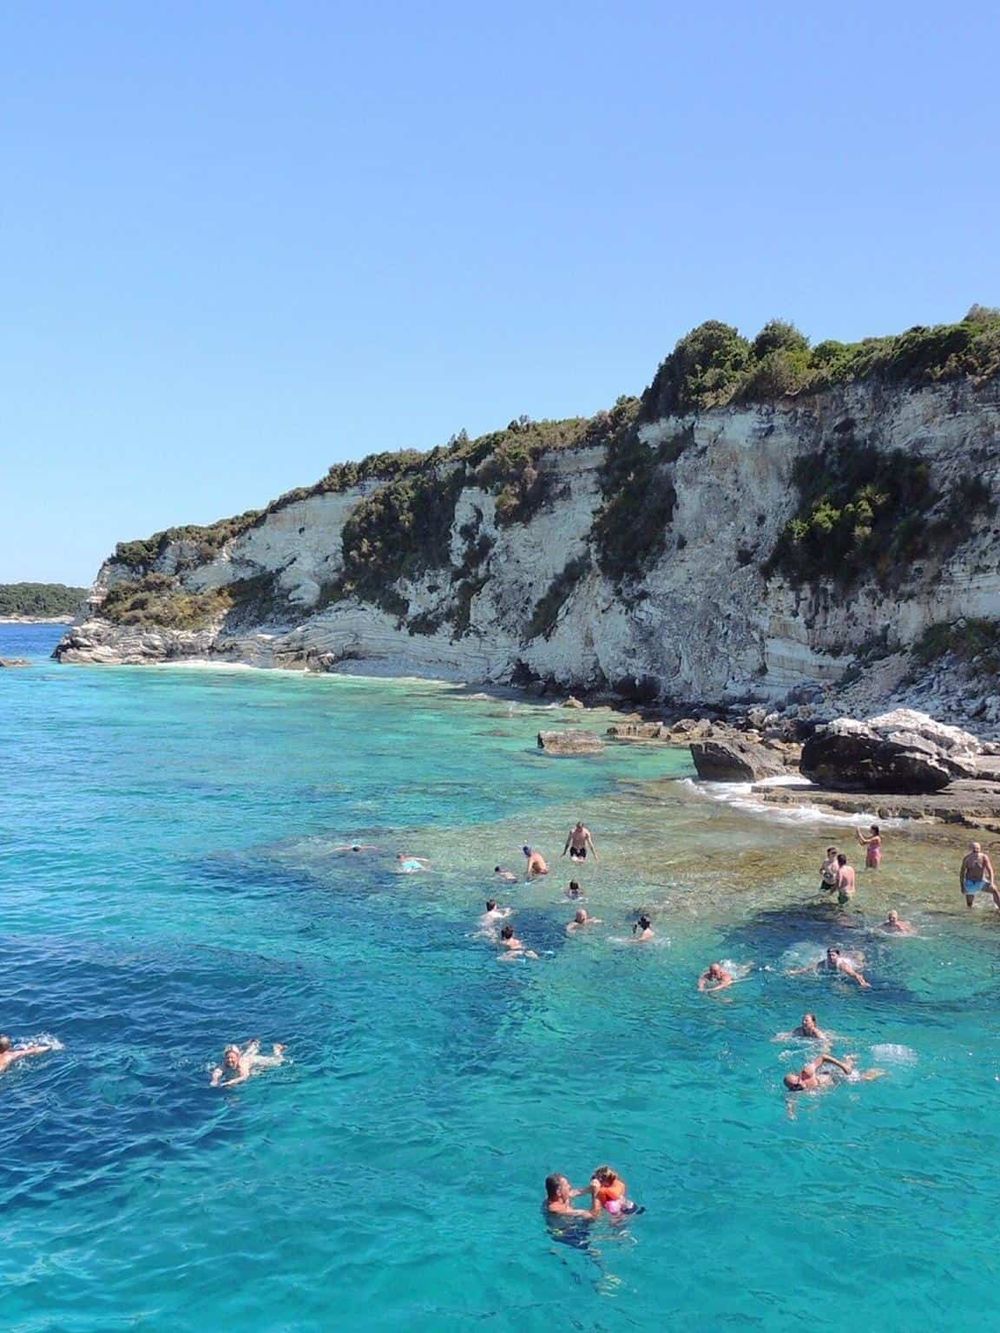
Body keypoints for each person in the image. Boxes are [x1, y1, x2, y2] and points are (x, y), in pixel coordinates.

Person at [783, 1053, 885, 1093]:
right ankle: (849, 1060)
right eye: (795, 1086)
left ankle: (881, 1070)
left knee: (863, 1079)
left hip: (834, 1077)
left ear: (799, 1077)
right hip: (831, 1082)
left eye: (798, 1081)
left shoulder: (807, 1072)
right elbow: (791, 1099)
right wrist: (791, 1112)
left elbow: (823, 1057)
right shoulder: (794, 1090)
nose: (800, 1084)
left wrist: (842, 1065)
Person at [210, 1039, 286, 1088]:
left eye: (232, 1057)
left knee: (278, 1061)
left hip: (251, 1060)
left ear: (237, 1057)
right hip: (244, 1057)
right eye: (227, 1058)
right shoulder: (224, 1064)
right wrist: (214, 1080)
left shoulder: (242, 1065)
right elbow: (217, 1072)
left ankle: (277, 1049)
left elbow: (245, 1076)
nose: (230, 1060)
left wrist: (231, 1082)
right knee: (249, 1052)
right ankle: (253, 1044)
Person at [790, 947, 870, 988]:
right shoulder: (824, 963)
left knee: (861, 964)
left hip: (854, 964)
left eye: (833, 955)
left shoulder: (842, 965)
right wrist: (795, 972)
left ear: (838, 956)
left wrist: (863, 983)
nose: (831, 957)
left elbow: (855, 975)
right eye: (829, 955)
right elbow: (809, 968)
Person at [959, 842, 999, 909]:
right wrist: (962, 886)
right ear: (970, 849)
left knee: (995, 890)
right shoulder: (967, 859)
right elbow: (962, 873)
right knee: (969, 905)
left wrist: (991, 883)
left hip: (981, 882)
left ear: (980, 849)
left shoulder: (984, 857)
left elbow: (990, 870)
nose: (976, 850)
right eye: (974, 848)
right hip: (970, 883)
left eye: (977, 848)